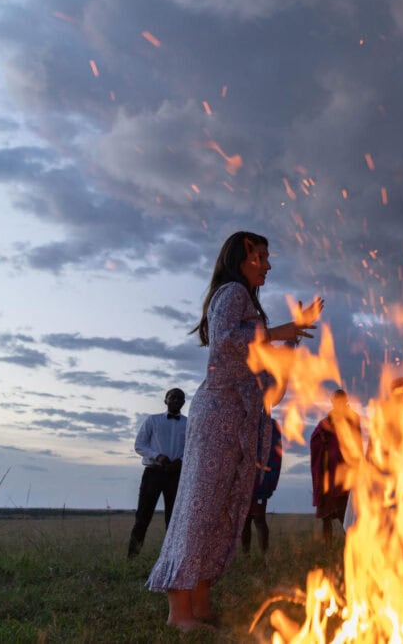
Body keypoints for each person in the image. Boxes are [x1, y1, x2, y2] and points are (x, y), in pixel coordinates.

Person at [146, 231, 322, 631]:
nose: (268, 264)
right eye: (260, 256)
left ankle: (202, 601)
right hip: (219, 416)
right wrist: (280, 331)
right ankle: (179, 611)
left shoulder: (250, 307)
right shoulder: (231, 293)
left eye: (268, 256)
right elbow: (225, 342)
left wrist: (290, 343)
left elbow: (267, 376)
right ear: (240, 260)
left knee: (226, 512)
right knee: (201, 506)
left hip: (243, 421)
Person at [127, 388, 188, 558]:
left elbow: (192, 448)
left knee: (173, 519)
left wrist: (180, 461)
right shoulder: (152, 421)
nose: (176, 401)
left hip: (176, 476)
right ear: (166, 400)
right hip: (153, 473)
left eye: (180, 398)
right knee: (143, 516)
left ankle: (170, 559)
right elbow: (140, 445)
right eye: (172, 397)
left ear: (184, 402)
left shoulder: (189, 424)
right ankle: (132, 557)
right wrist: (157, 456)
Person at [311, 388, 359, 544]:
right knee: (326, 516)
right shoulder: (326, 421)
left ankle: (351, 545)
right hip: (326, 475)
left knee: (344, 513)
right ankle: (328, 546)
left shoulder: (352, 420)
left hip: (344, 476)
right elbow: (315, 438)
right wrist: (323, 439)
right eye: (334, 401)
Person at [241, 414, 283, 555]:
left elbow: (276, 453)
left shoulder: (271, 425)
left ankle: (264, 556)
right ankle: (246, 555)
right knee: (244, 519)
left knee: (259, 518)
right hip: (243, 478)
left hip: (260, 479)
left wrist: (270, 477)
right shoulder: (242, 420)